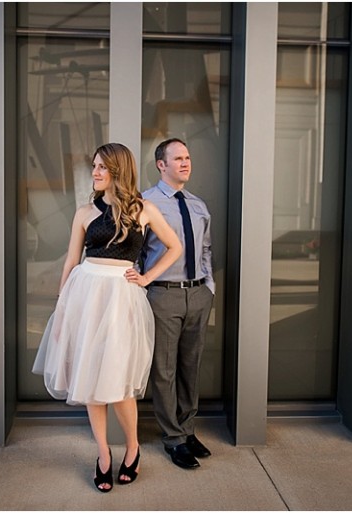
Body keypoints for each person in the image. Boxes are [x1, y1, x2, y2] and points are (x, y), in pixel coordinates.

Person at [32, 142, 182, 492]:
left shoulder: (142, 209)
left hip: (120, 299)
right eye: (94, 167)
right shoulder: (85, 212)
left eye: (102, 167)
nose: (95, 173)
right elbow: (71, 262)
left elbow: (175, 246)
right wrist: (62, 310)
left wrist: (146, 277)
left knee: (118, 384)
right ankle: (102, 455)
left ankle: (132, 448)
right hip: (85, 295)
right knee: (91, 384)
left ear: (119, 170)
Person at [141, 138, 215, 470]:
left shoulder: (198, 205)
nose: (185, 163)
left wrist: (208, 286)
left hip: (197, 294)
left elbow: (205, 251)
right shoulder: (145, 203)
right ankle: (173, 438)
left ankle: (188, 430)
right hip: (163, 295)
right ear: (161, 164)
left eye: (188, 157)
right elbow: (136, 251)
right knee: (164, 369)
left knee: (190, 366)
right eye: (178, 158)